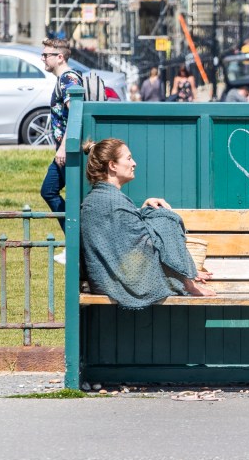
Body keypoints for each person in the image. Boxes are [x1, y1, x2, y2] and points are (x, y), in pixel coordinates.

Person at [79, 138, 215, 309]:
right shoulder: (112, 201)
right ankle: (188, 284)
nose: (134, 163)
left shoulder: (100, 198)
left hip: (106, 280)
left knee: (156, 215)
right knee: (165, 219)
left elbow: (128, 236)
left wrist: (142, 211)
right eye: (128, 158)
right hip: (121, 284)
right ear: (112, 165)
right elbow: (145, 246)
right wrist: (184, 277)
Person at [40, 37, 83, 265]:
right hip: (64, 152)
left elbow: (75, 113)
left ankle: (77, 245)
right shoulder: (63, 79)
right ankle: (75, 242)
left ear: (60, 57)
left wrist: (65, 147)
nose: (43, 58)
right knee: (49, 190)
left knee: (57, 193)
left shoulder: (68, 79)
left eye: (46, 54)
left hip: (68, 153)